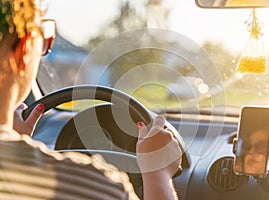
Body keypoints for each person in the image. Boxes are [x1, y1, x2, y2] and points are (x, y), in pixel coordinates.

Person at [0, 0, 182, 199]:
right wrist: (157, 175)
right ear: (24, 51)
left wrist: (13, 139)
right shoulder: (98, 187)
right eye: (45, 39)